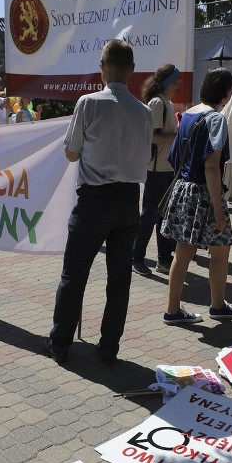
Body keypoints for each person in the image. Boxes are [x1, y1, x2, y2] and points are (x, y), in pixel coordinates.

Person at [45, 39, 152, 365]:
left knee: (73, 276)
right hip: (128, 202)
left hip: (93, 201)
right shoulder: (145, 111)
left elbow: (71, 151)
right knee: (119, 281)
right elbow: (144, 158)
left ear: (102, 67)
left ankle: (60, 345)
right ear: (132, 70)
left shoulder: (88, 103)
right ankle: (109, 348)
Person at [160, 67, 232, 324]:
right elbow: (212, 165)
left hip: (184, 189)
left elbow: (174, 157)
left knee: (182, 253)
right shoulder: (216, 119)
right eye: (230, 89)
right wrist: (219, 210)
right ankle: (218, 306)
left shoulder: (187, 114)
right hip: (205, 192)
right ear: (224, 92)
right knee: (220, 250)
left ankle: (172, 310)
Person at [132, 63, 181, 277]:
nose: (179, 83)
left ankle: (163, 259)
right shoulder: (158, 103)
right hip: (156, 170)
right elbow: (151, 136)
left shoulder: (166, 102)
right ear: (169, 82)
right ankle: (136, 258)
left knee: (163, 217)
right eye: (176, 79)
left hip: (166, 169)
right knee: (149, 216)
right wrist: (178, 138)